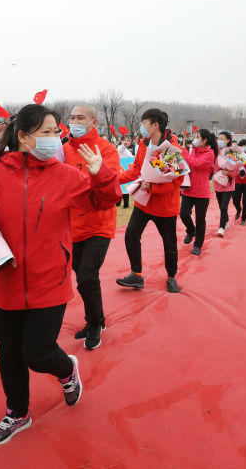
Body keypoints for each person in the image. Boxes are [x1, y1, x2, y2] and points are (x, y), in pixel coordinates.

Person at [0, 104, 120, 445]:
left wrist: (101, 174)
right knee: (8, 353)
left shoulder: (66, 175)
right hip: (6, 281)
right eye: (48, 132)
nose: (56, 138)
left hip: (49, 280)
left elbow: (106, 201)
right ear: (23, 137)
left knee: (38, 353)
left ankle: (67, 371)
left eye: (56, 131)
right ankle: (17, 412)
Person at [64, 104, 122, 350]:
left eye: (80, 118)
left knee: (88, 275)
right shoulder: (62, 149)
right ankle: (97, 319)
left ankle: (95, 323)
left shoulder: (106, 150)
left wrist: (96, 173)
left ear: (93, 122)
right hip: (71, 225)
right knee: (81, 277)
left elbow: (111, 187)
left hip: (99, 224)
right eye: (72, 117)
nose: (75, 121)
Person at [116, 109, 184, 293]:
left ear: (155, 125)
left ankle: (171, 277)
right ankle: (136, 275)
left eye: (144, 124)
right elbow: (136, 169)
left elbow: (177, 181)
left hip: (165, 206)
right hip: (143, 202)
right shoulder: (143, 144)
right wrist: (116, 178)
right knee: (131, 235)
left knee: (169, 245)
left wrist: (154, 188)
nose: (142, 127)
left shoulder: (172, 148)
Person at [179, 129, 218, 256]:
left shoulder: (210, 153)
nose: (195, 139)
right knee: (183, 214)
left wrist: (184, 151)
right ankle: (191, 230)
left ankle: (198, 245)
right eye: (194, 136)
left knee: (200, 220)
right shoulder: (192, 151)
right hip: (188, 189)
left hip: (201, 192)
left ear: (205, 140)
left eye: (197, 137)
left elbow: (196, 164)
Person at [214, 131, 237, 237]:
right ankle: (226, 221)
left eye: (222, 139)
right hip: (218, 182)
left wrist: (230, 172)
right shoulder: (216, 151)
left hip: (228, 183)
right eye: (219, 138)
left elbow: (238, 169)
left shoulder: (233, 152)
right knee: (220, 206)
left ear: (228, 140)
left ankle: (221, 228)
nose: (220, 141)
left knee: (224, 207)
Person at [116, 135, 133, 209]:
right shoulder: (120, 148)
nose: (128, 142)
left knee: (124, 187)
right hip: (122, 169)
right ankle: (121, 203)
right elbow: (121, 148)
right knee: (122, 187)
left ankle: (122, 203)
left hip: (126, 169)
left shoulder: (126, 149)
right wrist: (124, 144)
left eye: (129, 140)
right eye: (126, 140)